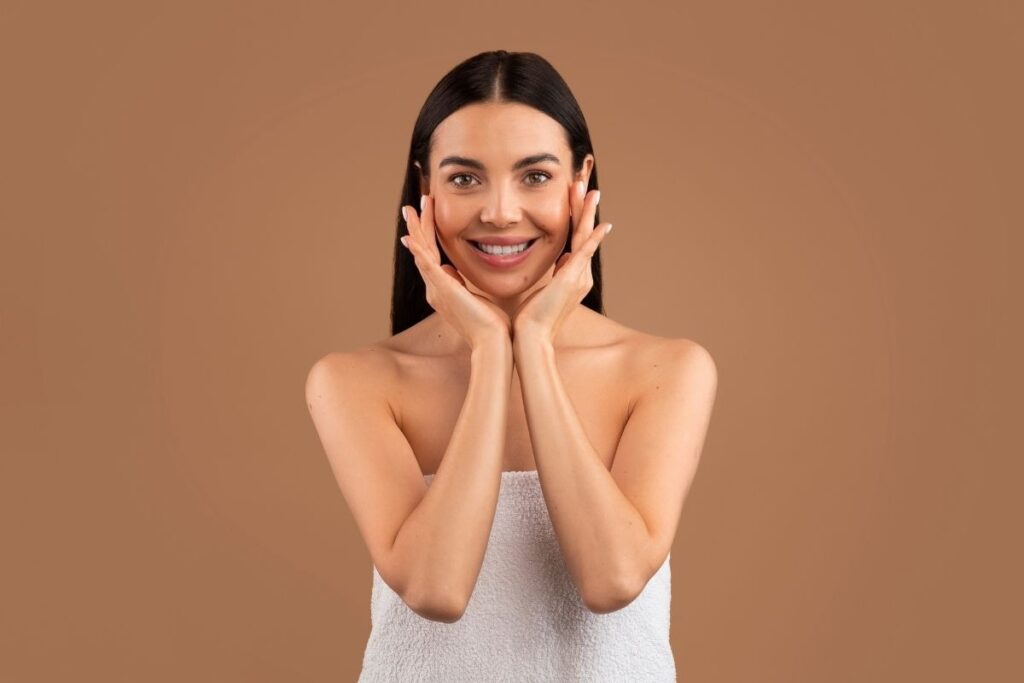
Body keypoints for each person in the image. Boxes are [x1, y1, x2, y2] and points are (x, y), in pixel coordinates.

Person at [305, 50, 718, 682]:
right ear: (425, 190)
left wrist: (533, 343)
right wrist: (492, 352)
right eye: (465, 179)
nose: (499, 211)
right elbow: (436, 589)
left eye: (535, 176)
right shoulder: (355, 382)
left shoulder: (667, 370)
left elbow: (612, 578)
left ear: (582, 183)